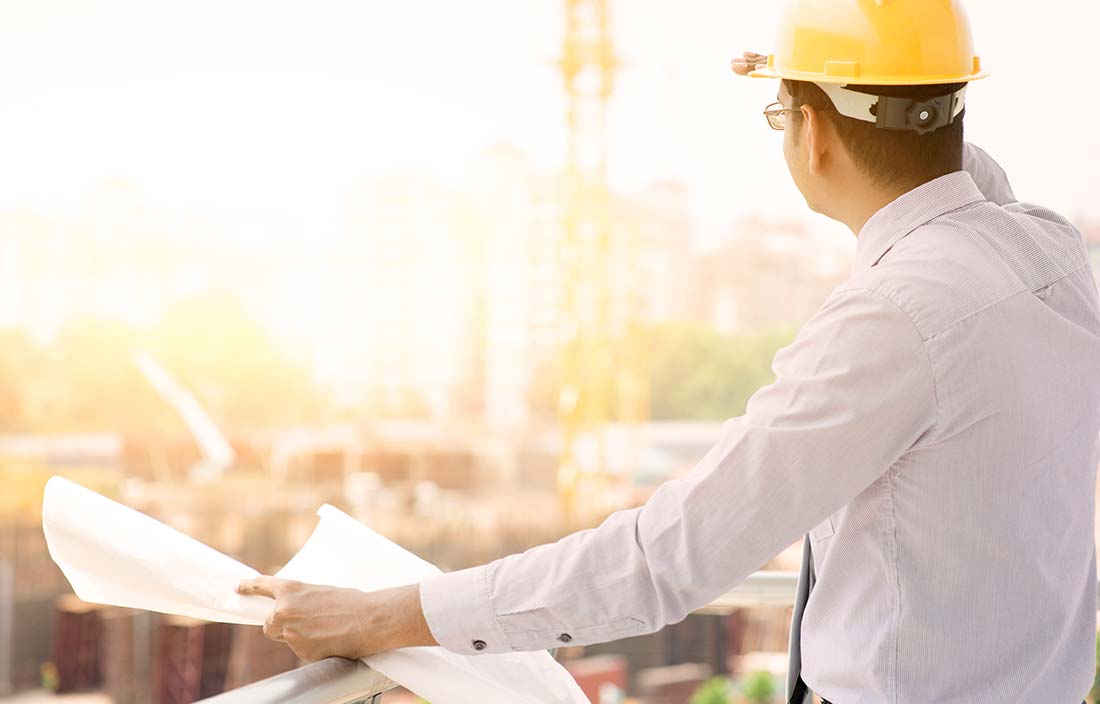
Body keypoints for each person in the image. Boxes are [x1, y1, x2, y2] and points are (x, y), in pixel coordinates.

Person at [238, 1, 1100, 701]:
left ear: (812, 133)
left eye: (781, 114)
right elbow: (967, 180)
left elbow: (663, 559)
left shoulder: (892, 318)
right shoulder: (1048, 252)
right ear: (954, 104)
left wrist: (380, 617)